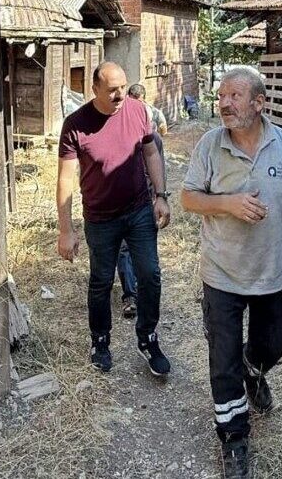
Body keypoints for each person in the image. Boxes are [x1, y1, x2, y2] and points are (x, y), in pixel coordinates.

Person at [181, 67, 282, 478]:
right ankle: (234, 438)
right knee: (222, 362)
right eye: (222, 96)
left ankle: (254, 369)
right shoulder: (210, 145)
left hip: (273, 271)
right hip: (222, 273)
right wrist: (227, 203)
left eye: (235, 96)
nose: (224, 103)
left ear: (259, 104)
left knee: (273, 343)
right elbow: (189, 197)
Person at [57, 62, 172, 376]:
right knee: (101, 282)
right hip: (100, 218)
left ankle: (147, 338)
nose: (120, 94)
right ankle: (100, 340)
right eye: (112, 90)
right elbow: (66, 179)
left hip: (138, 211)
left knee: (150, 275)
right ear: (95, 89)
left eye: (123, 87)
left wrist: (160, 195)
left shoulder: (137, 111)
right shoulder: (75, 124)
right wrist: (65, 229)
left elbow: (150, 153)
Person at [114, 83, 168, 319]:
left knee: (140, 249)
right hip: (122, 201)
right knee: (125, 248)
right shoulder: (119, 125)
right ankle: (131, 295)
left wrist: (160, 196)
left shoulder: (152, 132)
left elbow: (159, 165)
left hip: (144, 202)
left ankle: (139, 295)